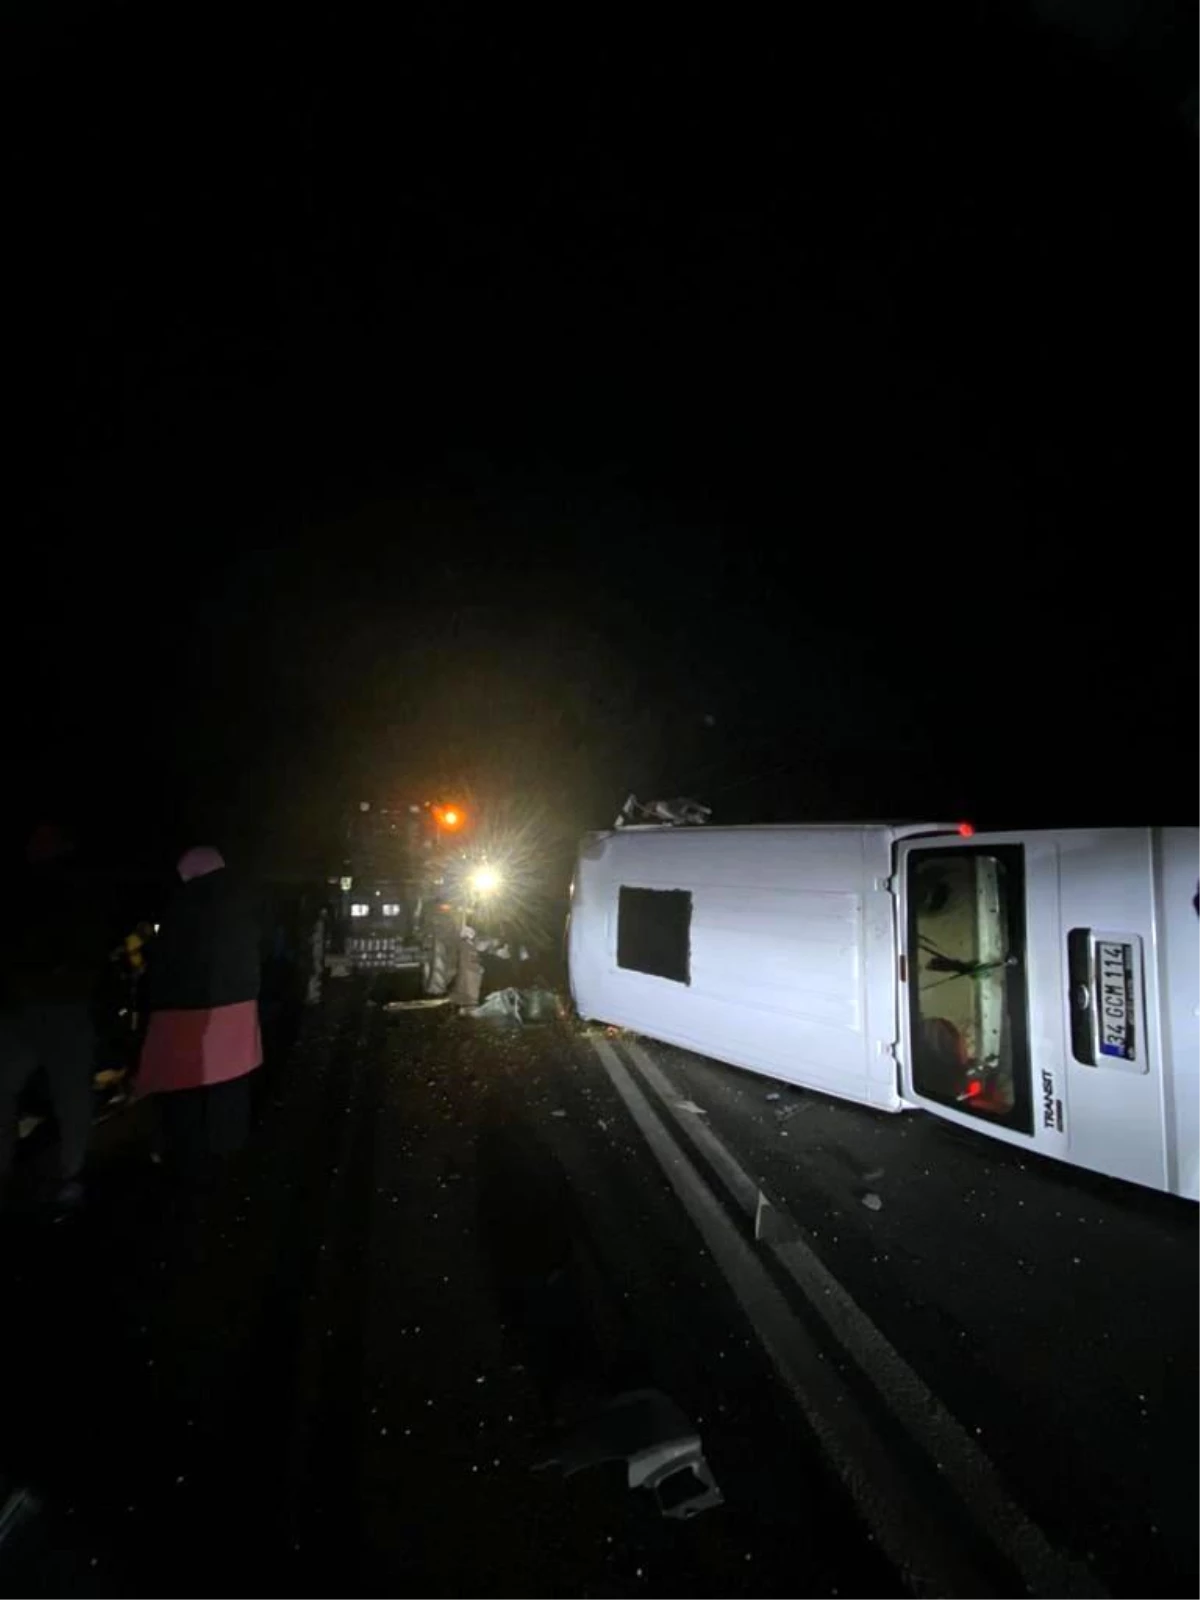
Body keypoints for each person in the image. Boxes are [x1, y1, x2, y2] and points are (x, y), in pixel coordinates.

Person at [136, 847, 262, 1180]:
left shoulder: (184, 905)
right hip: (239, 1009)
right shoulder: (241, 902)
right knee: (231, 1084)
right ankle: (229, 1150)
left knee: (186, 1084)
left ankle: (186, 1157)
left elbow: (169, 962)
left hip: (188, 1011)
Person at [0, 824, 105, 1210]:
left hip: (60, 1008)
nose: (34, 844)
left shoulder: (77, 887)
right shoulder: (21, 886)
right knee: (58, 1094)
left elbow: (93, 944)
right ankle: (53, 1173)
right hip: (27, 1008)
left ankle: (71, 1175)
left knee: (72, 1096)